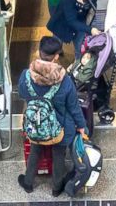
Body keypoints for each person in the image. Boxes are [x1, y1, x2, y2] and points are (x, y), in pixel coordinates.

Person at [17, 36, 88, 197]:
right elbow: (74, 107)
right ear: (56, 56)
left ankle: (28, 183)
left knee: (35, 150)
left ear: (39, 52)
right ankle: (56, 187)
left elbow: (22, 94)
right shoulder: (65, 81)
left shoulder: (25, 76)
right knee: (59, 154)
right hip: (60, 127)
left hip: (35, 124)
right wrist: (81, 125)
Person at [46, 0, 110, 56]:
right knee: (57, 42)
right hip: (63, 23)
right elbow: (72, 21)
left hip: (81, 23)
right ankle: (56, 52)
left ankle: (78, 60)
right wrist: (90, 30)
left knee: (79, 46)